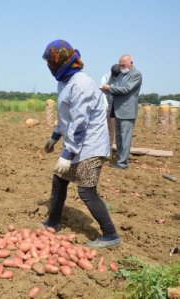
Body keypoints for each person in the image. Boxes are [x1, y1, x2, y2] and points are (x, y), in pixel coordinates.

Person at [41, 39, 121, 248]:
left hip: (91, 145)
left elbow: (79, 124)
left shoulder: (81, 84)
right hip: (77, 144)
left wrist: (67, 155)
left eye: (52, 63)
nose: (50, 67)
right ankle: (53, 223)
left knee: (86, 191)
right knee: (59, 180)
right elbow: (65, 116)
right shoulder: (64, 83)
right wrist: (54, 137)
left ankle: (111, 235)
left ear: (62, 62)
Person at [100, 55, 142, 169]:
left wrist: (109, 88)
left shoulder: (136, 75)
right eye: (120, 65)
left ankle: (123, 163)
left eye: (123, 65)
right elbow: (115, 87)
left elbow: (126, 89)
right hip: (117, 110)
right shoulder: (121, 74)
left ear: (131, 63)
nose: (121, 67)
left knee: (125, 138)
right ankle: (119, 160)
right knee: (118, 137)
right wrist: (106, 89)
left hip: (127, 112)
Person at [100, 64, 121, 159]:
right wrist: (112, 87)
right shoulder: (106, 76)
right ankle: (107, 151)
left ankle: (118, 152)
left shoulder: (124, 77)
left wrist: (110, 87)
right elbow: (103, 87)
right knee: (109, 130)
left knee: (120, 131)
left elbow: (123, 89)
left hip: (120, 106)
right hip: (109, 106)